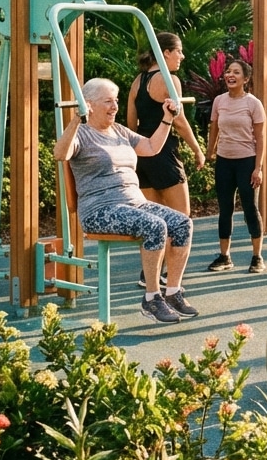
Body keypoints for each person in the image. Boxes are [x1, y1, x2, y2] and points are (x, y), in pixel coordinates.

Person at [54, 77, 198, 324]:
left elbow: (152, 147)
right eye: (108, 101)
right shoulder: (83, 134)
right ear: (89, 104)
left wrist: (167, 118)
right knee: (155, 226)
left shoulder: (120, 131)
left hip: (135, 203)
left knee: (183, 223)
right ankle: (152, 298)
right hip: (100, 208)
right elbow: (61, 153)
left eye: (116, 101)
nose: (115, 106)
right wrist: (76, 120)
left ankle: (173, 291)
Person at [126, 32, 206, 287]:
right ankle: (173, 282)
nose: (182, 56)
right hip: (163, 154)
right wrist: (197, 148)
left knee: (154, 220)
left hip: (142, 154)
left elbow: (131, 123)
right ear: (165, 52)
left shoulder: (138, 81)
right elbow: (179, 121)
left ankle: (149, 275)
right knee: (181, 219)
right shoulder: (169, 80)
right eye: (178, 51)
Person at [206, 58, 267, 274]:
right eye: (228, 71)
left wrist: (258, 168)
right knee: (225, 210)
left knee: (250, 208)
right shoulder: (219, 101)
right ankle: (225, 257)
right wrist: (209, 152)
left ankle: (257, 257)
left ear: (246, 79)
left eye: (236, 72)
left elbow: (261, 138)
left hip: (247, 161)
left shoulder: (253, 103)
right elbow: (214, 128)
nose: (230, 75)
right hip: (224, 161)